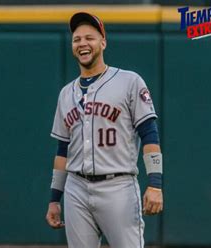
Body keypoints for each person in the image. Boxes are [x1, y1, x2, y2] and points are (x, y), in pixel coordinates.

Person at [45, 12, 164, 248]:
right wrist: (54, 200)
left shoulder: (129, 81)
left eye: (89, 38)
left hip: (117, 186)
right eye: (77, 39)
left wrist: (155, 184)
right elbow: (62, 151)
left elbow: (149, 134)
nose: (82, 44)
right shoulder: (66, 94)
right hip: (76, 189)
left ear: (103, 42)